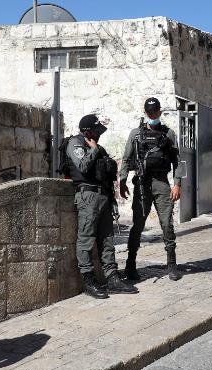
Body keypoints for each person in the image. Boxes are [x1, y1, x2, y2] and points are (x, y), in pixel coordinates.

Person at [66, 114, 136, 299]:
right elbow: (82, 166)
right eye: (96, 131)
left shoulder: (99, 148)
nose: (99, 135)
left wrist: (112, 198)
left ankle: (112, 278)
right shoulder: (76, 144)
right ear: (87, 131)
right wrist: (94, 150)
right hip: (87, 196)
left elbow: (106, 174)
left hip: (103, 196)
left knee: (107, 239)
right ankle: (89, 281)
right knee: (86, 238)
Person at [120, 97, 183, 281]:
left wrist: (177, 183)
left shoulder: (168, 134)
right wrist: (122, 180)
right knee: (138, 225)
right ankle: (130, 265)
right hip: (141, 183)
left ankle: (172, 265)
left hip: (162, 183)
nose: (152, 115)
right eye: (149, 113)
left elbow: (178, 162)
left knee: (167, 224)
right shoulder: (136, 134)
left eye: (155, 112)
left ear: (160, 112)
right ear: (145, 113)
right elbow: (126, 158)